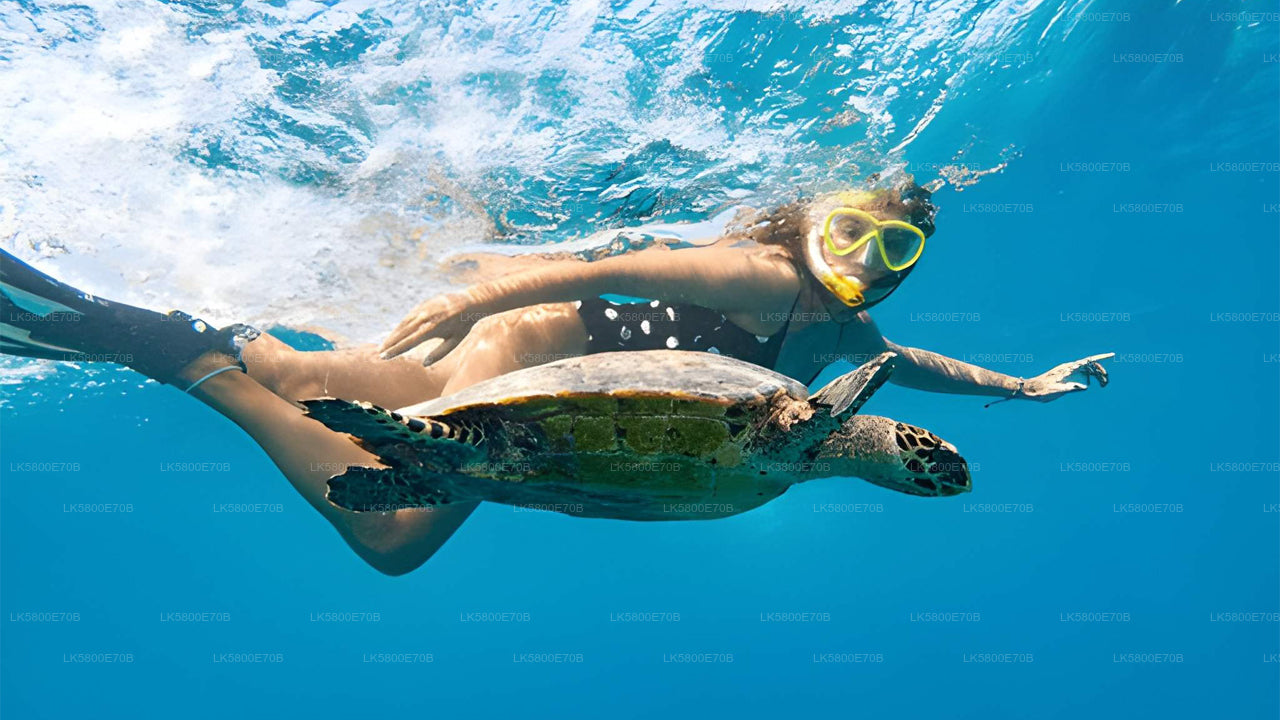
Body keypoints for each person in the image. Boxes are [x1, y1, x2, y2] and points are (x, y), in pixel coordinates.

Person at [0, 182, 1110, 574]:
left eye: (896, 250)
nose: (867, 255)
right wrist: (474, 297)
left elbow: (897, 363)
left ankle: (204, 331)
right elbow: (610, 263)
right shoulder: (768, 273)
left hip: (555, 370)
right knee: (391, 532)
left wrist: (1018, 389)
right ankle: (185, 356)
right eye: (855, 226)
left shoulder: (835, 339)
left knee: (304, 369)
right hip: (533, 351)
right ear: (812, 218)